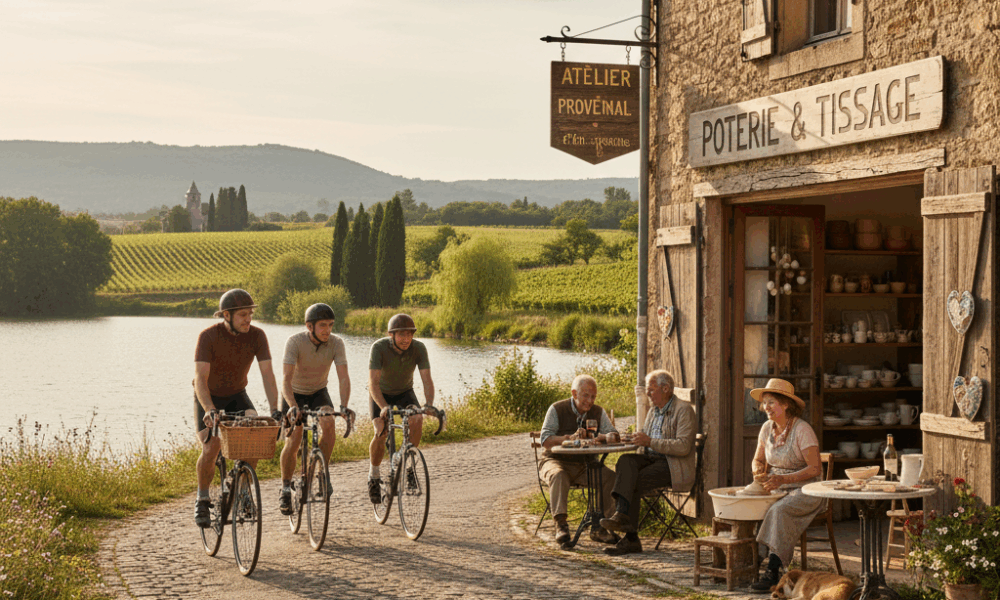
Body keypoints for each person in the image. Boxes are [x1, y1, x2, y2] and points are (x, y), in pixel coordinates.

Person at [193, 289, 279, 528]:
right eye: (243, 315)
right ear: (226, 315)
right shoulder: (208, 336)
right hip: (208, 396)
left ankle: (242, 490)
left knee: (254, 433)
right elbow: (200, 378)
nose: (248, 319)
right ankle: (202, 498)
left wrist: (275, 409)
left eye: (250, 314)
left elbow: (267, 374)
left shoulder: (258, 336)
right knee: (211, 446)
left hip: (237, 395)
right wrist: (209, 409)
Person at [600, 369, 696, 556]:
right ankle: (621, 516)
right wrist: (633, 438)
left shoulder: (683, 410)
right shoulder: (653, 410)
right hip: (652, 459)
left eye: (651, 390)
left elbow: (683, 446)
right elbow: (645, 436)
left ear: (665, 388)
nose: (648, 394)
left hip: (673, 465)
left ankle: (630, 538)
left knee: (634, 479)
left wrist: (650, 442)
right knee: (625, 461)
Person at [746, 378, 824, 592]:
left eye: (771, 402)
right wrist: (757, 470)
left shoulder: (802, 429)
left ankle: (772, 570)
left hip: (807, 488)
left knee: (779, 510)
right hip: (777, 486)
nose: (766, 407)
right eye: (764, 403)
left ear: (786, 404)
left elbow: (815, 468)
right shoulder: (766, 428)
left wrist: (784, 479)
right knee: (749, 503)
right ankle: (750, 561)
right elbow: (758, 459)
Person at [277, 303, 352, 515]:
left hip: (319, 392)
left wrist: (344, 406)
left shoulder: (336, 343)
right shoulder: (295, 342)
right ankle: (285, 487)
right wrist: (293, 406)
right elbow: (285, 379)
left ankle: (321, 472)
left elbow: (343, 377)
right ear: (309, 326)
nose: (328, 330)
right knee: (294, 437)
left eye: (330, 325)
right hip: (293, 394)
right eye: (323, 325)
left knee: (329, 423)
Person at [538, 374, 619, 547]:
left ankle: (600, 526)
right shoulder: (557, 409)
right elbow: (545, 440)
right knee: (558, 475)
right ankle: (561, 525)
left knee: (610, 478)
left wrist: (599, 437)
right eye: (586, 395)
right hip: (555, 460)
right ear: (574, 393)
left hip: (584, 465)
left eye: (593, 396)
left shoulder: (598, 412)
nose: (590, 401)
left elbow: (613, 434)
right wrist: (568, 438)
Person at [366, 313, 435, 505]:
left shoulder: (419, 348)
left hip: (405, 392)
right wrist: (383, 407)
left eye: (410, 334)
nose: (406, 339)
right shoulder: (379, 348)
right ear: (391, 335)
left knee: (417, 418)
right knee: (381, 430)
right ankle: (374, 476)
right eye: (402, 334)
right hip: (380, 393)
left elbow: (427, 380)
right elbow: (373, 383)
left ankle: (408, 465)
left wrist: (429, 404)